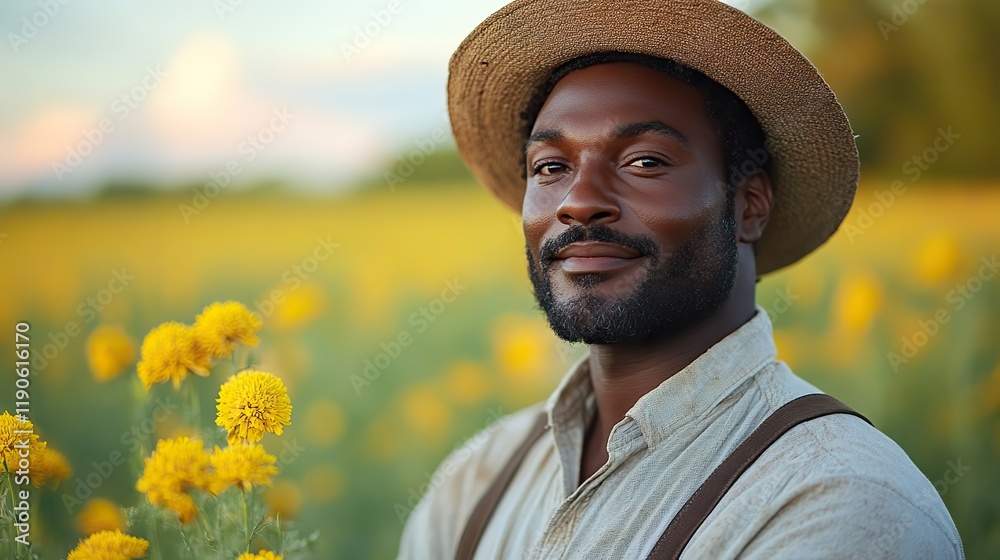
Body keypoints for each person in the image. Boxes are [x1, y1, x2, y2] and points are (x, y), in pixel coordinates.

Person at [398, 0, 964, 558]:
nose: (579, 202)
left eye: (644, 161)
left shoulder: (843, 502)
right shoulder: (477, 481)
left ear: (749, 205)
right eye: (551, 167)